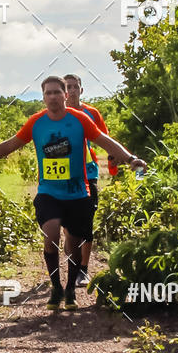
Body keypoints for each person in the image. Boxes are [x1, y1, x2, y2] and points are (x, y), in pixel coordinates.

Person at [0, 75, 146, 311]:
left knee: (74, 243)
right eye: (48, 93)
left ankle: (70, 290)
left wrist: (130, 159)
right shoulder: (36, 122)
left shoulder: (80, 120)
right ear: (43, 97)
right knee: (51, 231)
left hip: (77, 193)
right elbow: (10, 145)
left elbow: (105, 141)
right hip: (49, 192)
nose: (53, 96)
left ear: (66, 95)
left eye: (57, 92)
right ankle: (55, 286)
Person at [63, 74, 116, 287]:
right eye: (68, 87)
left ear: (81, 90)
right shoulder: (54, 115)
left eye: (75, 87)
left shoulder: (91, 113)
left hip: (88, 173)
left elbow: (106, 138)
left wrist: (114, 161)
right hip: (62, 177)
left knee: (86, 222)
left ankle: (83, 270)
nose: (72, 91)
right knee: (67, 227)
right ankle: (73, 266)